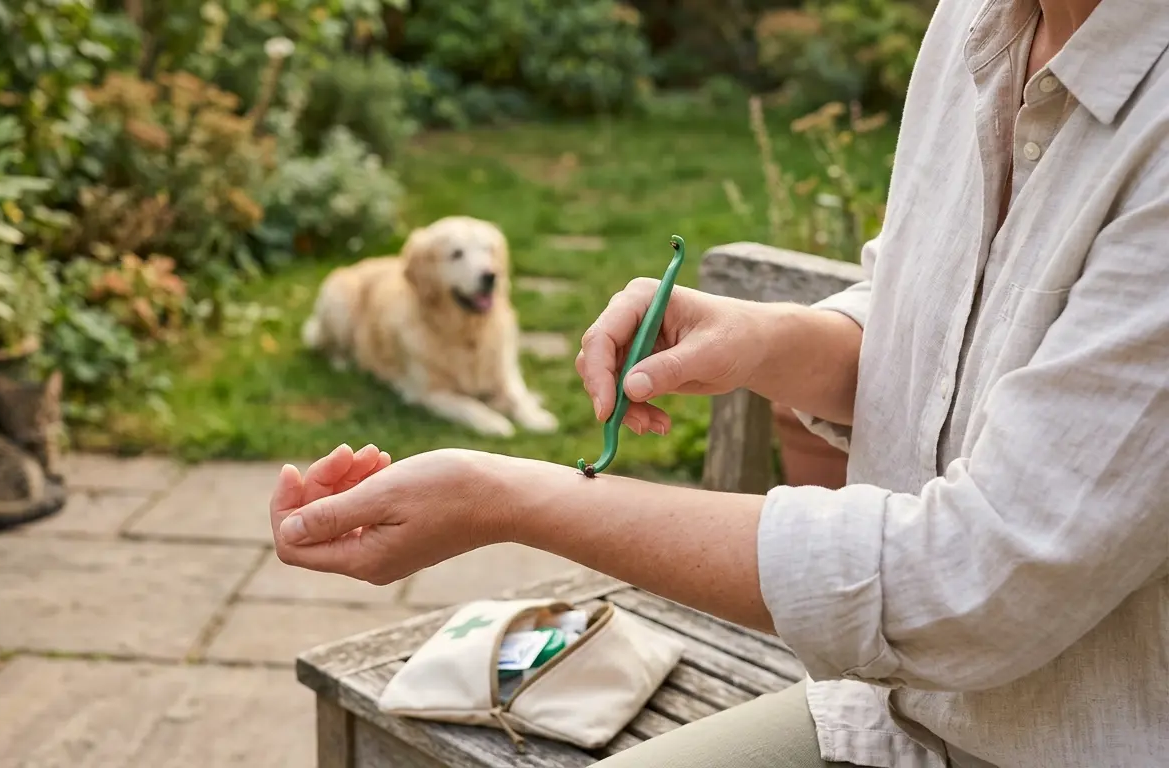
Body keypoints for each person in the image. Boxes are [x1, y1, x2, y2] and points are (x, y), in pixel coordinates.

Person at [267, 0, 1169, 764]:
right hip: (893, 720)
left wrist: (506, 497)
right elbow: (941, 318)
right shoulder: (978, 18)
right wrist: (773, 339)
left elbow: (976, 580)